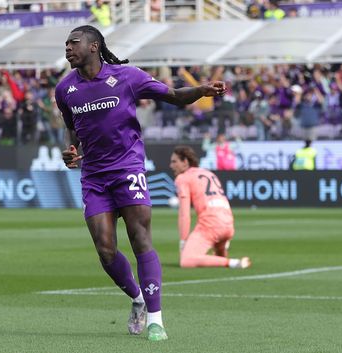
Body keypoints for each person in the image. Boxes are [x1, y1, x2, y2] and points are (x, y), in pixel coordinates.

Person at [55, 25, 226, 342]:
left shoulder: (127, 77)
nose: (67, 48)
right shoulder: (65, 89)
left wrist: (201, 90)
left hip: (127, 168)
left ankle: (156, 320)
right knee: (105, 250)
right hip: (94, 175)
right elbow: (72, 129)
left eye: (73, 43)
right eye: (65, 44)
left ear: (94, 47)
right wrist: (72, 150)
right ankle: (136, 299)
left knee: (140, 238)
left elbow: (173, 96)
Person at [169, 145, 251, 269]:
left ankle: (234, 263)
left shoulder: (182, 178)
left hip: (210, 225)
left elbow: (184, 214)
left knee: (186, 260)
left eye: (174, 161)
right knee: (219, 257)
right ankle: (224, 256)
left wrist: (183, 242)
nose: (171, 165)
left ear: (185, 162)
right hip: (228, 224)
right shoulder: (208, 173)